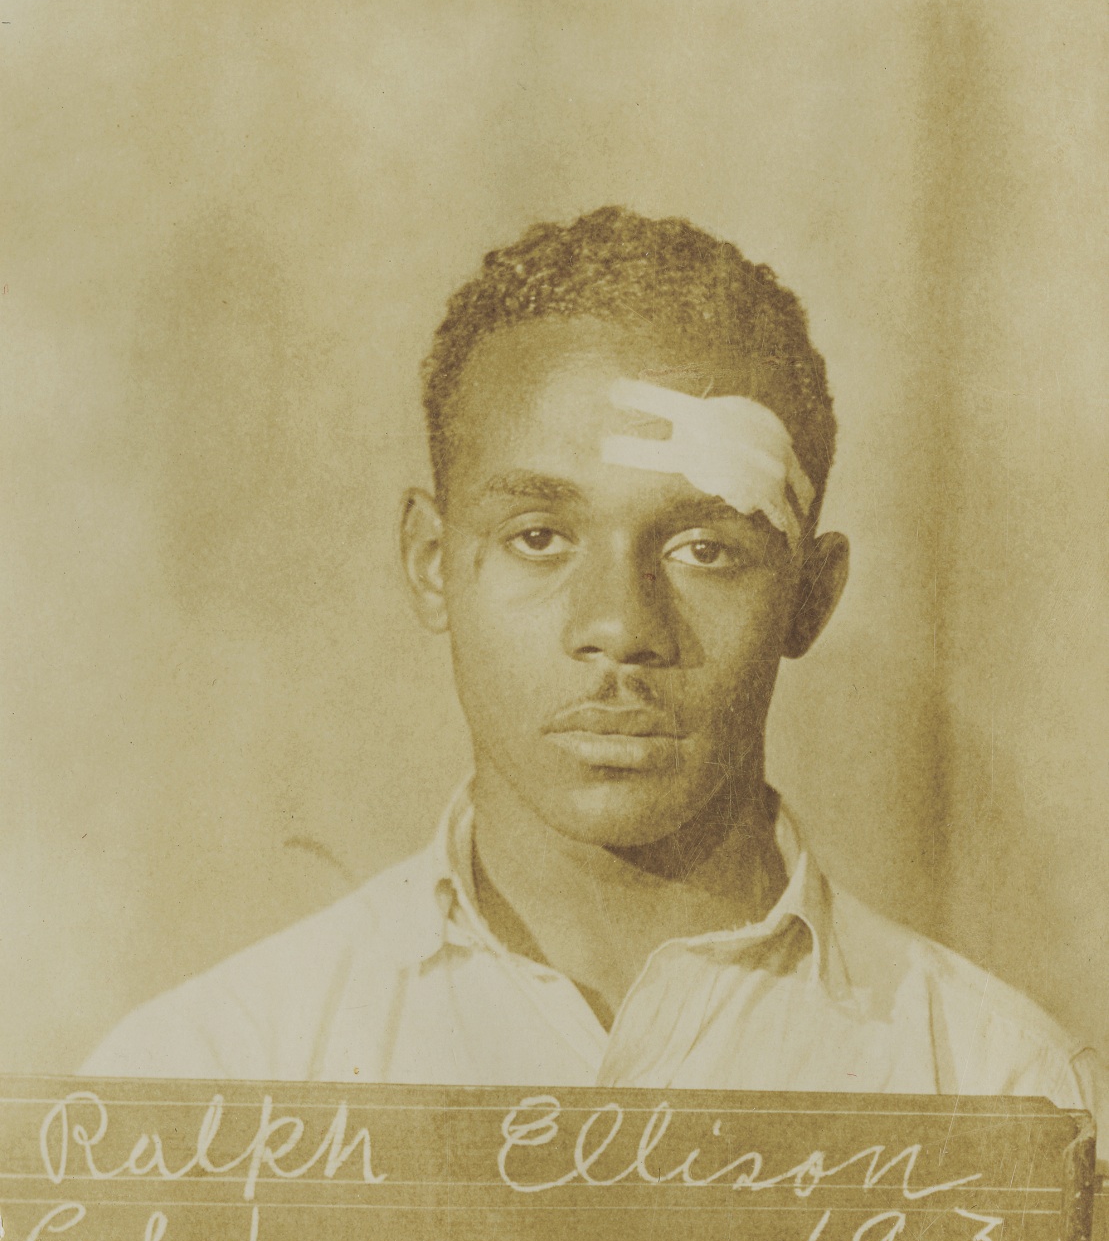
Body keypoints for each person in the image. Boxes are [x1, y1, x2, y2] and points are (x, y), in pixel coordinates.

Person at [81, 207, 1105, 1150]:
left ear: (810, 596)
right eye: (538, 537)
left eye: (703, 549)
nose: (619, 626)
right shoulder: (199, 1082)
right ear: (432, 562)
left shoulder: (1007, 1092)